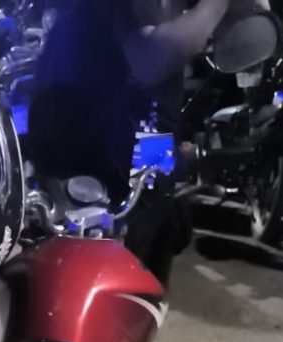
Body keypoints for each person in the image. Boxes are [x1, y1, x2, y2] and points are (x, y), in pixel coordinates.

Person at [28, 0, 236, 286]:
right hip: (112, 151)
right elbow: (150, 57)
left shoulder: (84, 18)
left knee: (146, 251)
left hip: (111, 143)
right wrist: (218, 4)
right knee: (126, 274)